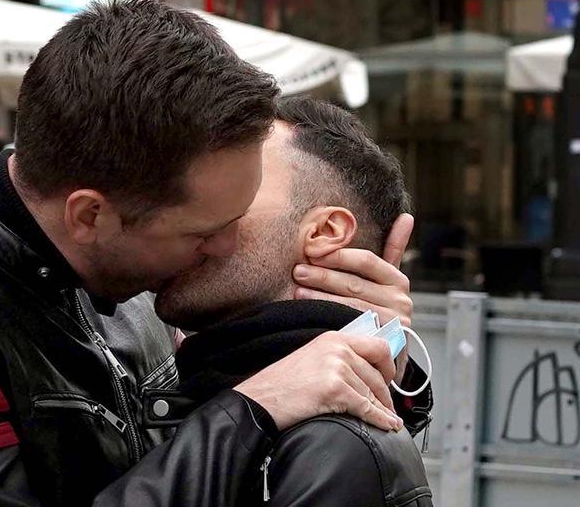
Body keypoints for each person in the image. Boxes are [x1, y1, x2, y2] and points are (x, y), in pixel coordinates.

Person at [0, 0, 417, 506]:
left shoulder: (117, 274)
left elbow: (196, 460)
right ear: (91, 215)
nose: (224, 245)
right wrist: (253, 410)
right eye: (201, 232)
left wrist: (365, 350)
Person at [155, 96, 433, 506]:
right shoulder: (196, 377)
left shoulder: (332, 447)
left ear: (324, 231)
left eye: (241, 184)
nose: (191, 204)